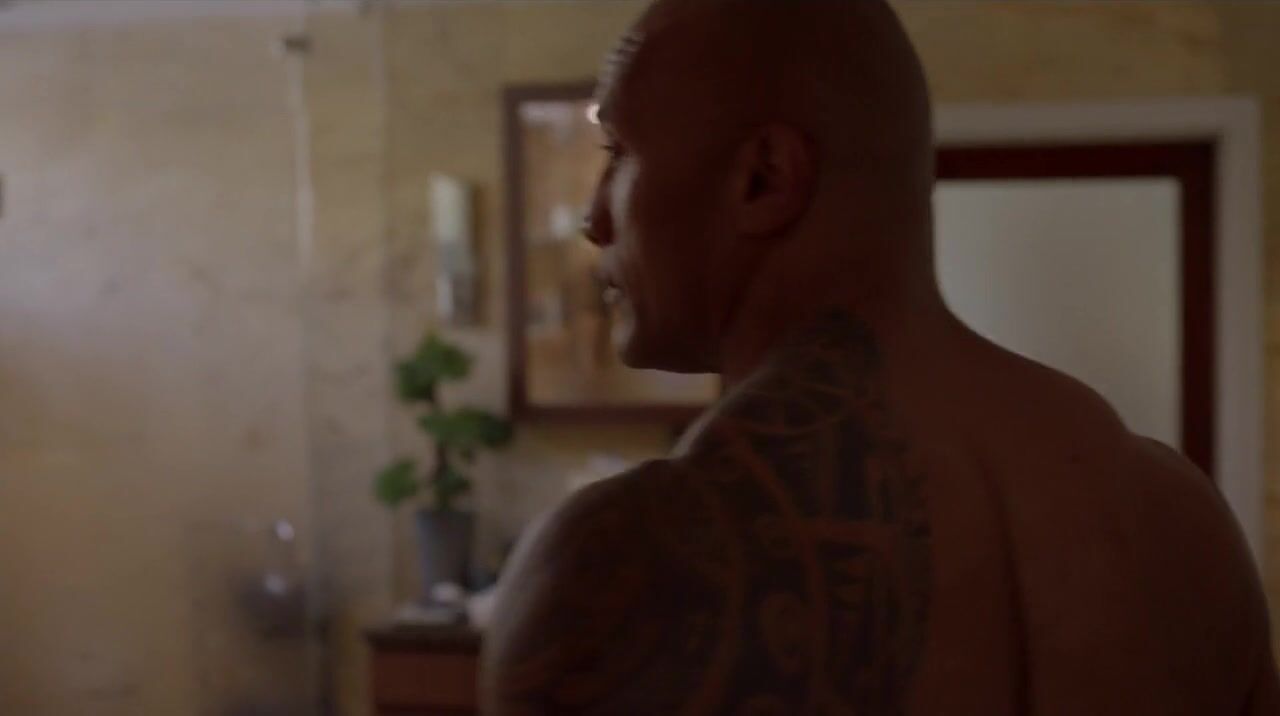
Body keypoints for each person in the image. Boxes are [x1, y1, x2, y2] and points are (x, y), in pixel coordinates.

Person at [481, 0, 1280, 713]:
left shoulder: (623, 567)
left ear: (764, 179)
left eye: (619, 151)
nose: (592, 218)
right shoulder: (1183, 522)